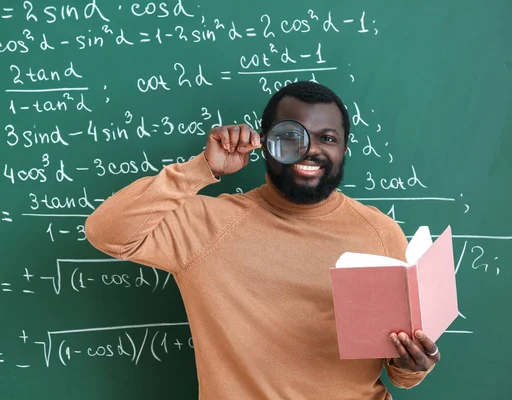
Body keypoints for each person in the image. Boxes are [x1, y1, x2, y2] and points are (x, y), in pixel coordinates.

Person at [85, 81, 440, 399]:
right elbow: (106, 232)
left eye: (327, 138)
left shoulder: (380, 233)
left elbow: (399, 373)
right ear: (265, 143)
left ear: (344, 149)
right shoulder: (206, 226)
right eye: (291, 136)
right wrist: (202, 169)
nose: (310, 150)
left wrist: (412, 365)